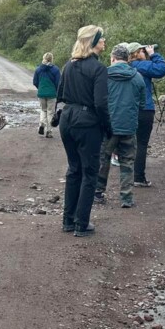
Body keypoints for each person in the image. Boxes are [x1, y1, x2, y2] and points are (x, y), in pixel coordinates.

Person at [57, 25, 110, 237]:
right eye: (102, 38)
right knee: (90, 172)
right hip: (87, 123)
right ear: (94, 42)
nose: (105, 41)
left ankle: (68, 220)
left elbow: (60, 94)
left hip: (67, 119)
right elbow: (101, 103)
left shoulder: (68, 65)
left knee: (74, 169)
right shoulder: (98, 69)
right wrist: (108, 128)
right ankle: (81, 224)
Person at [95, 44, 146, 208]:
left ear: (112, 58)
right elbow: (142, 104)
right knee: (127, 162)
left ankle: (98, 191)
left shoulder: (104, 75)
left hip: (107, 126)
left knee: (103, 159)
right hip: (129, 126)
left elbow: (98, 101)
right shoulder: (137, 77)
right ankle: (126, 198)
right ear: (128, 58)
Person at [128, 42, 165, 186]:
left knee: (127, 142)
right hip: (144, 108)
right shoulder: (140, 65)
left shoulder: (125, 66)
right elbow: (163, 69)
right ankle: (138, 177)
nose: (144, 53)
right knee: (141, 143)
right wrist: (153, 54)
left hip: (128, 109)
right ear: (136, 53)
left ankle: (126, 176)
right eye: (142, 51)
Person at [32, 52, 61, 138]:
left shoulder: (38, 69)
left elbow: (35, 82)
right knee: (50, 112)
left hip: (41, 93)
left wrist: (40, 88)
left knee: (43, 110)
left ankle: (42, 124)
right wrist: (56, 92)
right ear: (52, 59)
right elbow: (58, 83)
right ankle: (49, 131)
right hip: (52, 94)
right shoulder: (55, 69)